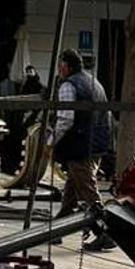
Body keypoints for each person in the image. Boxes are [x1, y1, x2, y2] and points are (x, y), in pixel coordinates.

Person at [48, 48, 114, 248]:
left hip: (80, 146)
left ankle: (106, 232)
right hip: (97, 144)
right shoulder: (94, 82)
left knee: (87, 191)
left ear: (66, 66)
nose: (59, 69)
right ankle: (55, 230)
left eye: (61, 65)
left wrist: (50, 143)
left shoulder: (69, 85)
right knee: (72, 191)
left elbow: (66, 119)